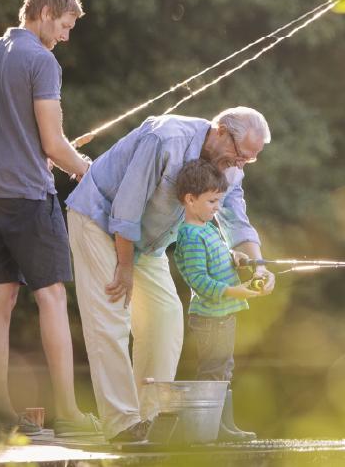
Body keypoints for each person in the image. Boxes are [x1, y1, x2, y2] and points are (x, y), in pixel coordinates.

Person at [66, 106, 275, 443]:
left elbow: (236, 215)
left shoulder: (230, 168)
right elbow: (127, 207)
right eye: (239, 154)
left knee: (165, 317)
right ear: (221, 130)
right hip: (100, 220)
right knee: (111, 317)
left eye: (248, 160)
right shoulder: (165, 138)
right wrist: (124, 266)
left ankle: (149, 418)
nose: (240, 164)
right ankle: (122, 423)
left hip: (148, 242)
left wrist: (258, 265)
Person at [0, 0, 101, 437]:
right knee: (53, 297)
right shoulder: (41, 61)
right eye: (64, 26)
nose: (65, 36)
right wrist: (86, 171)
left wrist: (15, 151)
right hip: (29, 200)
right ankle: (68, 412)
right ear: (42, 11)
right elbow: (55, 145)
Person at [174, 158, 265, 441]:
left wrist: (234, 256)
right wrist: (234, 291)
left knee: (224, 369)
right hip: (210, 318)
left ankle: (225, 426)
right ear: (190, 199)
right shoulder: (189, 235)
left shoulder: (209, 227)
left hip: (224, 315)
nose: (217, 208)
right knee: (212, 371)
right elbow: (199, 281)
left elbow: (217, 258)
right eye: (212, 201)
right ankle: (211, 429)